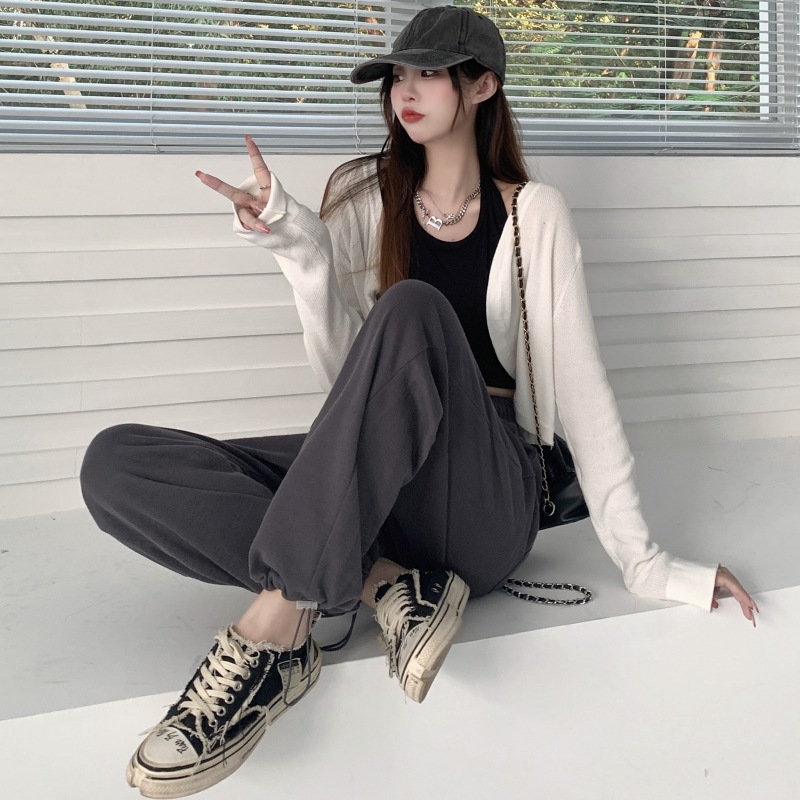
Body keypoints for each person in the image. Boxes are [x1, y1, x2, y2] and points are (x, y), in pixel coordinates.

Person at [79, 5, 759, 798]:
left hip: (486, 497)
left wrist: (649, 567)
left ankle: (279, 629)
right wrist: (298, 248)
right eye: (398, 75)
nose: (405, 90)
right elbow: (347, 386)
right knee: (117, 464)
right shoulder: (368, 198)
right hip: (381, 482)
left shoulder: (533, 214)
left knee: (411, 309)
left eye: (429, 73)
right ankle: (387, 585)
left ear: (483, 87)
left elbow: (582, 387)